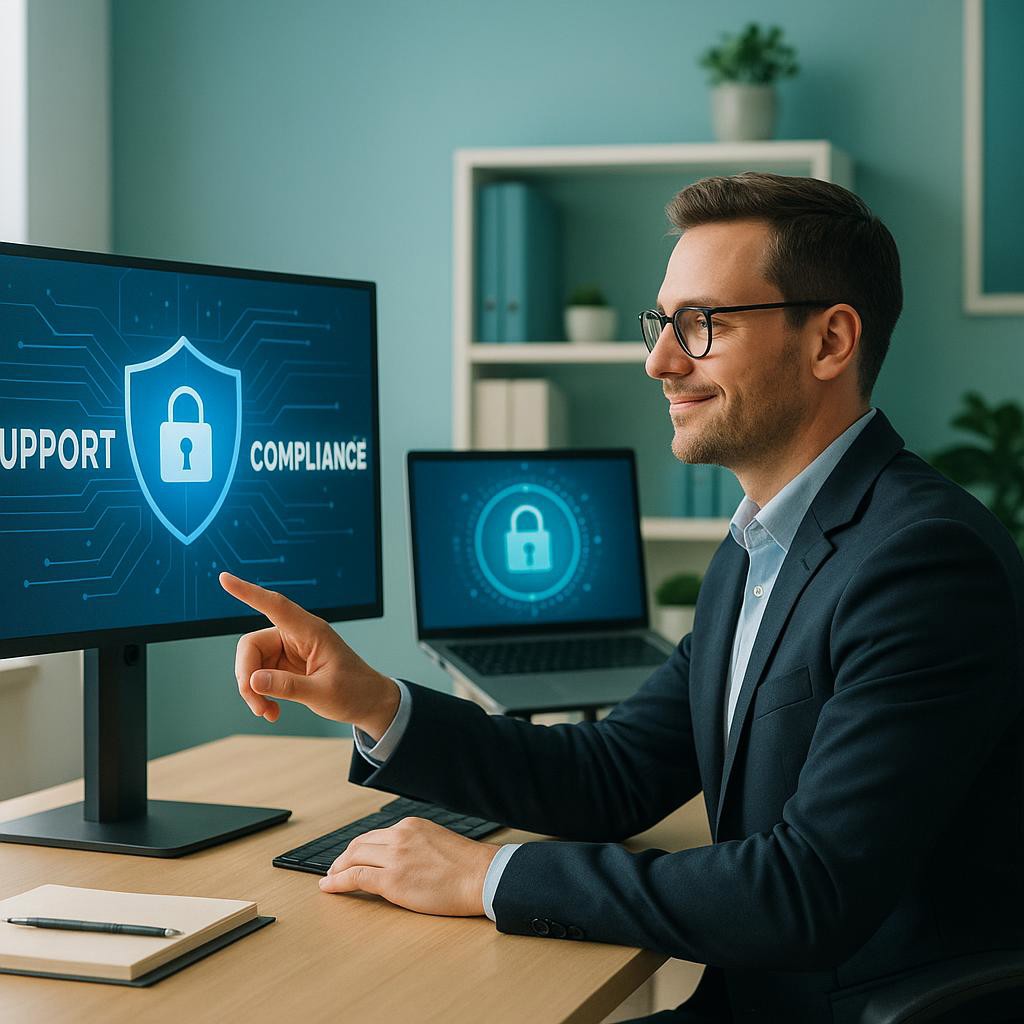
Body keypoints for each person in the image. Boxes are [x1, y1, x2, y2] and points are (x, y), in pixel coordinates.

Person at [219, 172, 1024, 1023]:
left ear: (830, 341)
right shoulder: (759, 547)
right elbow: (615, 774)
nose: (659, 360)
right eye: (662, 323)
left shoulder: (922, 563)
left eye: (702, 324)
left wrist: (485, 876)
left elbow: (806, 890)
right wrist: (377, 701)